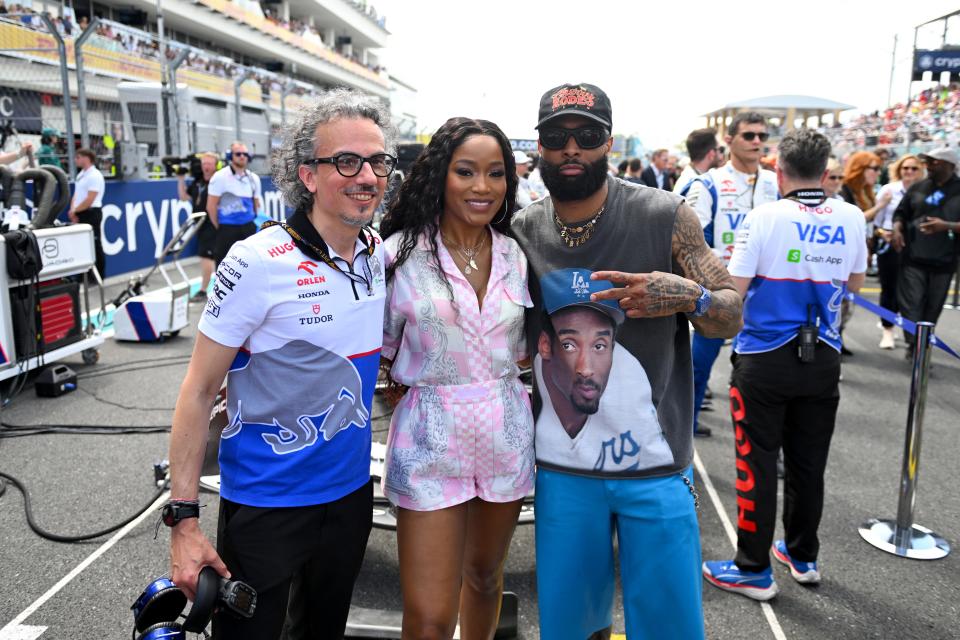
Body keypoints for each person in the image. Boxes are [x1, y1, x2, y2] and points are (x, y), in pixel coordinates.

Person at [512, 82, 742, 640]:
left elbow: (731, 315)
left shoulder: (665, 214)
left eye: (586, 136)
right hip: (564, 469)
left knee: (670, 628)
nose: (571, 149)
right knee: (570, 628)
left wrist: (692, 296)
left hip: (655, 466)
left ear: (608, 142)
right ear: (539, 145)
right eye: (556, 136)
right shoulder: (521, 230)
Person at [166, 90, 395, 638]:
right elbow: (198, 391)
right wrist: (183, 520)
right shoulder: (256, 260)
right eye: (347, 161)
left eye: (378, 162)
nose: (367, 175)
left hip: (349, 496)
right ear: (308, 176)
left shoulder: (376, 251)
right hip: (268, 503)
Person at [377, 117, 534, 640]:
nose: (482, 187)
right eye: (466, 172)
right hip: (429, 442)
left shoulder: (516, 254)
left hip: (505, 437)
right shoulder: (397, 254)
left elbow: (524, 348)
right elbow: (376, 347)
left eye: (495, 174)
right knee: (429, 616)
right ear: (441, 176)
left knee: (486, 579)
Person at [702, 129, 867, 601]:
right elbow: (855, 283)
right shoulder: (851, 216)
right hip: (824, 358)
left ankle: (752, 569)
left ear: (779, 169)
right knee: (808, 463)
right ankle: (803, 555)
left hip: (763, 359)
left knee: (756, 460)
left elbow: (733, 288)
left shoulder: (764, 216)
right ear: (825, 168)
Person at [684, 112, 778, 438]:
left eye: (762, 136)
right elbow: (693, 240)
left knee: (761, 373)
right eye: (749, 135)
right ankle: (686, 429)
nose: (757, 142)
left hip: (765, 292)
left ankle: (761, 442)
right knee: (699, 365)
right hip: (721, 290)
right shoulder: (708, 183)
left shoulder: (775, 183)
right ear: (729, 140)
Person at [891, 147, 960, 359]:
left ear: (950, 165)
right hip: (914, 258)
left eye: (934, 162)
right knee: (911, 304)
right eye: (927, 162)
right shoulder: (919, 187)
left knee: (933, 307)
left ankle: (923, 342)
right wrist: (896, 228)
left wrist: (946, 225)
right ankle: (915, 346)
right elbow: (901, 213)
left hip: (945, 261)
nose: (929, 166)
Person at [873, 154, 924, 349]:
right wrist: (882, 233)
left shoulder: (926, 191)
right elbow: (877, 220)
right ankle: (887, 330)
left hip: (917, 247)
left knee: (913, 292)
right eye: (906, 168)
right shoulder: (889, 190)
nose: (909, 172)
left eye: (914, 168)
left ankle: (911, 335)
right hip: (890, 245)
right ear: (899, 170)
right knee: (889, 289)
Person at [207, 141, 262, 265]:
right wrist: (221, 227)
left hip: (249, 228)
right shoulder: (219, 177)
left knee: (251, 265)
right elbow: (211, 207)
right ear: (230, 156)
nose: (242, 156)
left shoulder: (254, 178)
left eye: (245, 154)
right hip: (227, 229)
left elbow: (256, 204)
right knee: (224, 266)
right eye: (238, 154)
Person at [177, 152, 219, 302]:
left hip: (211, 223)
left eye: (209, 163)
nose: (206, 166)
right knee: (210, 257)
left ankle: (203, 290)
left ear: (215, 165)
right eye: (204, 164)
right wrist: (181, 179)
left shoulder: (218, 181)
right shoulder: (197, 182)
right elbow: (184, 197)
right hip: (199, 224)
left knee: (206, 256)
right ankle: (213, 288)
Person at [70, 148, 106, 278]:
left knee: (95, 244)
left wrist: (75, 210)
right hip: (81, 212)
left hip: (91, 213)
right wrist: (73, 209)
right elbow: (77, 194)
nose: (76, 160)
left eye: (78, 157)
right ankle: (83, 275)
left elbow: (90, 199)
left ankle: (98, 275)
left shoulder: (95, 175)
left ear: (86, 158)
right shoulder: (81, 175)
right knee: (81, 246)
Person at [673, 127, 723, 196]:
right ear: (711, 153)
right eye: (721, 149)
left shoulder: (694, 178)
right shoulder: (694, 187)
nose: (722, 155)